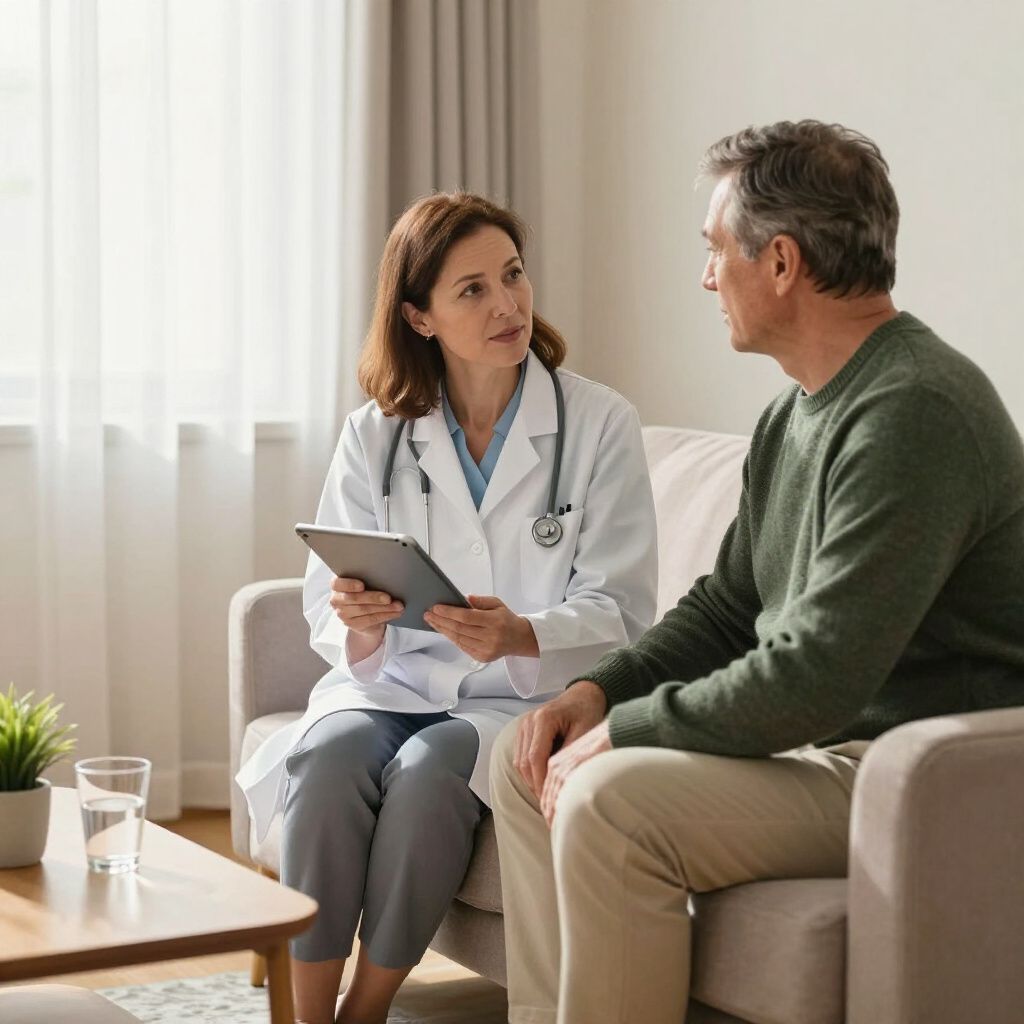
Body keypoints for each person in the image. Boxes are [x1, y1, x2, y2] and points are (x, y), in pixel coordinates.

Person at [490, 120, 1024, 1024]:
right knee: (523, 755)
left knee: (613, 801)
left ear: (780, 262)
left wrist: (627, 734)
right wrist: (596, 694)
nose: (706, 277)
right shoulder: (796, 416)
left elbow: (817, 674)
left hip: (920, 773)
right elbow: (731, 605)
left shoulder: (914, 413)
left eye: (714, 250)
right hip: (834, 746)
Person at [235, 191, 658, 1024]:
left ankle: (366, 1010)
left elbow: (625, 609)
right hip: (388, 682)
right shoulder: (377, 433)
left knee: (431, 776)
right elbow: (326, 592)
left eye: (513, 275)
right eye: (472, 289)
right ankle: (304, 1016)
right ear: (418, 317)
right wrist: (355, 621)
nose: (508, 305)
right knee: (326, 762)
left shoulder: (600, 424)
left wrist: (524, 633)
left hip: (519, 699)